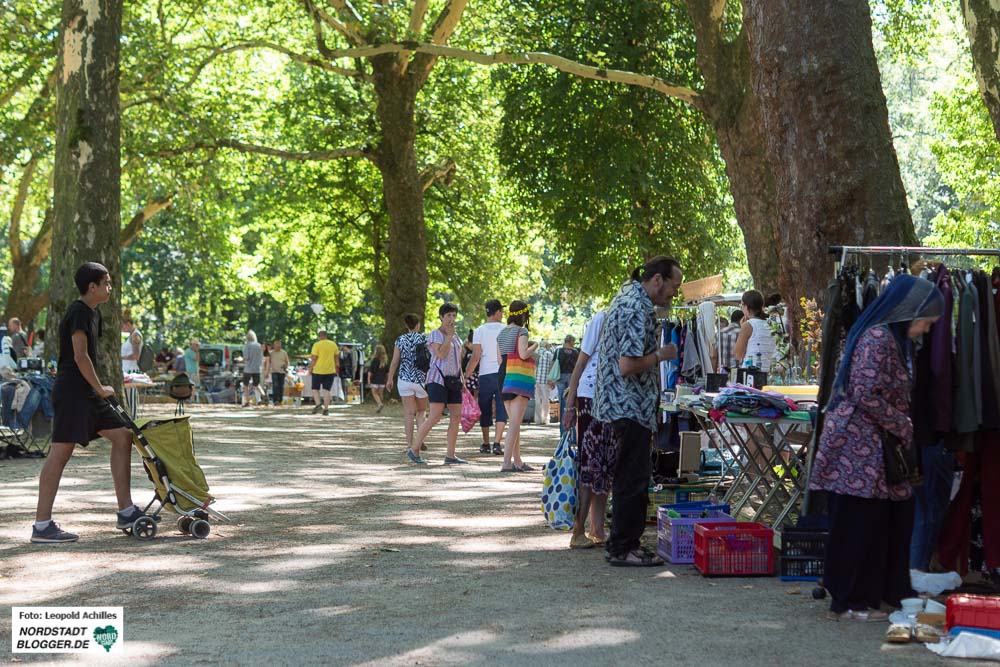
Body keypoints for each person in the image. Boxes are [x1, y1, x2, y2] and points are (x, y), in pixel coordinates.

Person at [810, 274, 943, 622]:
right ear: (909, 312)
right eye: (926, 322)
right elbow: (864, 392)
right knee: (859, 522)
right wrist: (902, 423)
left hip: (878, 449)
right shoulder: (877, 338)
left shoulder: (894, 341)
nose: (927, 330)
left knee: (890, 520)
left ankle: (883, 591)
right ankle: (852, 595)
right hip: (859, 448)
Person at [30, 262, 146, 543]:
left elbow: (89, 358)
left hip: (88, 393)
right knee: (60, 454)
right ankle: (42, 526)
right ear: (91, 287)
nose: (110, 287)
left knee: (122, 436)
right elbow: (80, 356)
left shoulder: (95, 314)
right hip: (73, 392)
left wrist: (97, 389)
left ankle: (126, 510)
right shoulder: (79, 312)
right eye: (106, 283)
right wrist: (100, 387)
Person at [594, 256, 682, 566]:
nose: (675, 294)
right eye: (674, 286)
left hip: (626, 405)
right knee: (633, 477)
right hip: (628, 405)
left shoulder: (628, 297)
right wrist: (662, 355)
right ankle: (624, 548)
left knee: (630, 476)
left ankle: (623, 544)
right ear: (657, 280)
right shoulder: (637, 308)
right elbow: (627, 365)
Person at [563, 309, 616, 549]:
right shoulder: (601, 318)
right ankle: (578, 529)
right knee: (590, 464)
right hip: (591, 396)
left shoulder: (629, 318)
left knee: (605, 464)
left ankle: (596, 528)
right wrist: (570, 400)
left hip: (610, 398)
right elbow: (581, 360)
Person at [410, 303, 467, 465]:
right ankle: (414, 448)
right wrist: (448, 337)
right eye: (448, 315)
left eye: (454, 315)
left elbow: (458, 360)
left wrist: (462, 378)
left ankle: (450, 455)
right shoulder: (435, 334)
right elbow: (440, 354)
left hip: (454, 380)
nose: (451, 319)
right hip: (437, 379)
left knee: (456, 416)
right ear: (441, 317)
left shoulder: (457, 337)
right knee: (435, 415)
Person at [497, 300, 538, 472]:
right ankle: (506, 463)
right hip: (518, 376)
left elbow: (499, 359)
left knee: (514, 421)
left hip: (503, 374)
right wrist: (535, 346)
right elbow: (522, 354)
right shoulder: (522, 331)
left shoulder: (501, 333)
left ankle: (518, 461)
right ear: (523, 314)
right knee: (515, 422)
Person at [465, 299, 507, 455]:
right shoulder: (505, 330)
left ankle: (486, 443)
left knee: (485, 408)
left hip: (485, 375)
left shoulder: (479, 331)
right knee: (502, 408)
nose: (502, 314)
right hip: (502, 373)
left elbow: (476, 357)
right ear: (496, 312)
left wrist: (466, 376)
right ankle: (497, 443)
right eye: (501, 311)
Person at [386, 313, 428, 454]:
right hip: (421, 379)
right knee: (421, 412)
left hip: (404, 379)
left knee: (409, 413)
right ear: (418, 324)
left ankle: (409, 445)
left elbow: (395, 361)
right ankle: (420, 440)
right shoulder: (424, 339)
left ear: (406, 325)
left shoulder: (400, 340)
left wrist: (390, 378)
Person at [734, 289, 779, 371]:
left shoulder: (748, 325)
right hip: (769, 371)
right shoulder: (772, 324)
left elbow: (738, 355)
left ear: (746, 306)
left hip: (751, 373)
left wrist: (742, 327)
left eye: (742, 305)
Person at [308, 330, 339, 416]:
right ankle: (326, 409)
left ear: (319, 337)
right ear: (326, 336)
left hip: (318, 370)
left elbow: (314, 358)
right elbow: (336, 358)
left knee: (315, 388)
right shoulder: (333, 344)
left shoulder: (317, 345)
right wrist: (336, 367)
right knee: (326, 390)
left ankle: (318, 404)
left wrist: (310, 368)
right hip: (330, 370)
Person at [554, 335, 580, 435]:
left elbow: (553, 364)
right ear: (571, 341)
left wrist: (551, 379)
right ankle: (572, 432)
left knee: (562, 404)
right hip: (572, 378)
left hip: (560, 377)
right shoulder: (576, 352)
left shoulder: (558, 351)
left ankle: (563, 431)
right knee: (571, 405)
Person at [120, 317, 144, 418]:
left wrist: (119, 357)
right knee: (128, 399)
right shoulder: (131, 335)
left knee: (131, 400)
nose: (121, 328)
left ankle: (135, 422)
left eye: (122, 325)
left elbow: (135, 356)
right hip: (127, 370)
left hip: (131, 371)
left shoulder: (135, 336)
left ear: (128, 324)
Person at [533, 340, 554, 425]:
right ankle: (545, 419)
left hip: (535, 379)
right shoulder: (549, 354)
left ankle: (537, 419)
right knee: (545, 400)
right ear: (546, 346)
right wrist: (551, 379)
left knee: (537, 400)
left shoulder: (535, 353)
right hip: (545, 380)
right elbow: (552, 366)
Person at [242, 330, 263, 406]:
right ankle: (263, 396)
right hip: (257, 368)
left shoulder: (247, 345)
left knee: (246, 385)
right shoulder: (259, 345)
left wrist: (240, 359)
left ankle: (247, 401)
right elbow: (261, 358)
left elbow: (246, 358)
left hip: (248, 368)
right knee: (256, 384)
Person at [268, 339, 290, 406]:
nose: (277, 347)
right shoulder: (271, 353)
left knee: (281, 386)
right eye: (276, 345)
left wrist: (285, 367)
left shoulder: (284, 353)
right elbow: (268, 362)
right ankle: (275, 400)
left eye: (279, 345)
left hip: (282, 372)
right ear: (274, 346)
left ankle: (280, 399)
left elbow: (287, 362)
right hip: (274, 371)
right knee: (275, 386)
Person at [368, 344, 389, 412]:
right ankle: (380, 404)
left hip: (374, 380)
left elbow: (370, 371)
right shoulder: (385, 361)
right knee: (380, 394)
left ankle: (380, 404)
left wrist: (368, 379)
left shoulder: (374, 360)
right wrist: (388, 380)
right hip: (382, 380)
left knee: (374, 393)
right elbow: (387, 372)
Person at [462, 329, 478, 399]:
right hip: (466, 377)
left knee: (476, 395)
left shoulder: (478, 350)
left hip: (476, 377)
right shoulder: (465, 349)